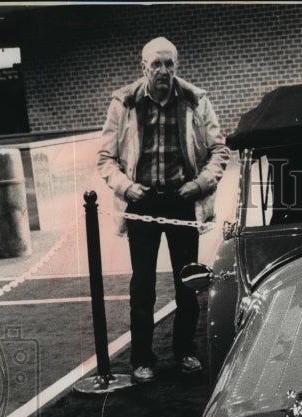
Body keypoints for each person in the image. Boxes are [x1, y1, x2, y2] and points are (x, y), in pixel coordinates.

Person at [98, 37, 229, 381]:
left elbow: (219, 150)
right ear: (144, 68)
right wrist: (127, 188)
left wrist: (200, 184)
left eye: (169, 64)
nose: (163, 71)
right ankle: (142, 359)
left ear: (177, 66)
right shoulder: (123, 103)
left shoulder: (196, 101)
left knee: (188, 280)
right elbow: (106, 158)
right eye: (156, 64)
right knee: (142, 285)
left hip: (182, 199)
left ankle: (185, 351)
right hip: (141, 201)